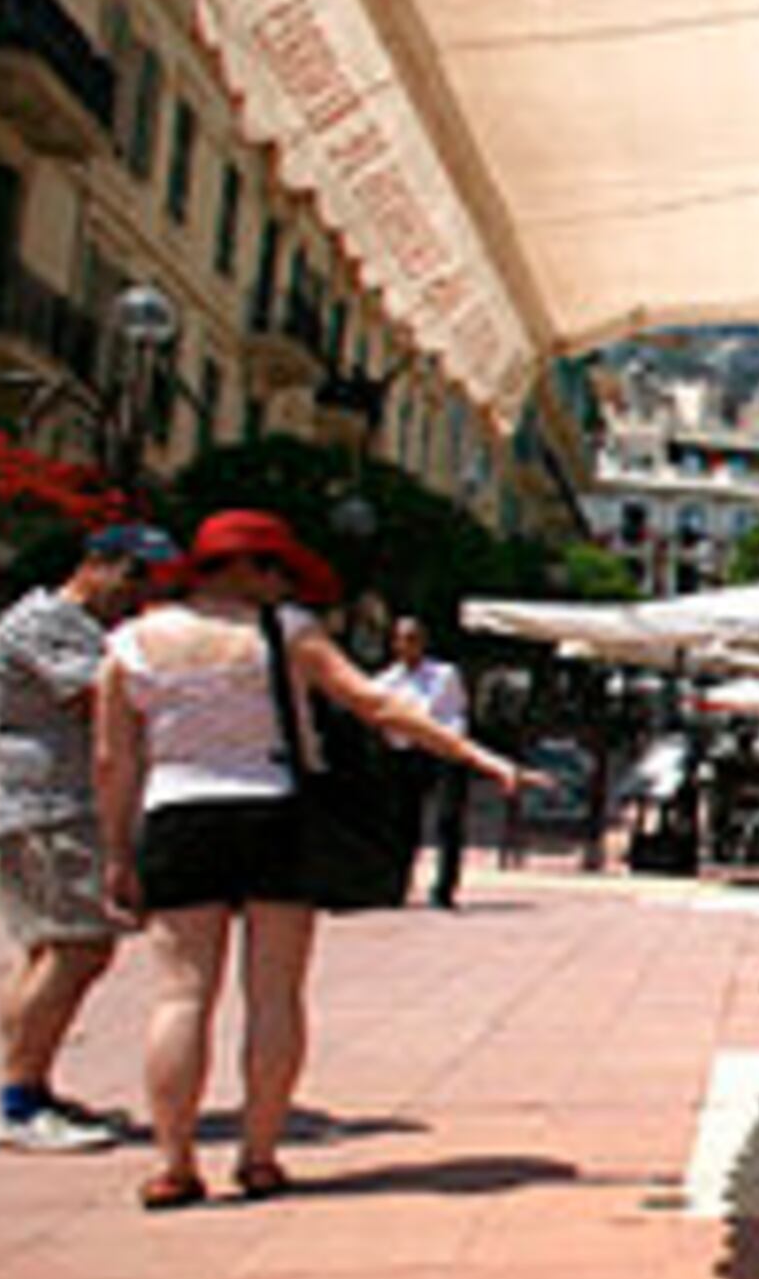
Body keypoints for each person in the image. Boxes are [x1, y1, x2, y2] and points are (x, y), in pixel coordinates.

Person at [95, 510, 526, 1210]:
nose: (281, 582)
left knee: (180, 994)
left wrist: (118, 851)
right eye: (274, 567)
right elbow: (375, 704)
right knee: (275, 993)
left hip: (176, 810)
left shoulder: (130, 643)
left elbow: (113, 759)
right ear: (245, 567)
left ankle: (173, 1164)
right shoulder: (287, 632)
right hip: (273, 808)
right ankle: (259, 1156)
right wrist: (474, 754)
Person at [0, 522, 180, 1151]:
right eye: (135, 575)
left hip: (55, 802)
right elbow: (106, 696)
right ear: (97, 564)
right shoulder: (47, 626)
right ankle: (19, 1101)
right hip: (56, 805)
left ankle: (27, 1087)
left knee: (47, 949)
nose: (140, 591)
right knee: (77, 946)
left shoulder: (82, 629)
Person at [374, 616, 472, 907]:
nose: (408, 645)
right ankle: (397, 883)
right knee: (402, 822)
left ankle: (444, 888)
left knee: (447, 819)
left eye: (414, 638)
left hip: (442, 751)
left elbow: (455, 713)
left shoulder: (444, 675)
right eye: (402, 639)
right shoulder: (386, 681)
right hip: (404, 753)